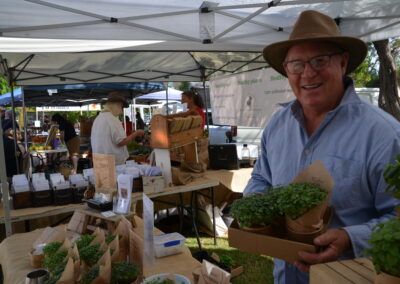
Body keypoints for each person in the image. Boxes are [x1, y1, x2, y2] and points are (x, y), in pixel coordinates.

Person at [243, 10, 400, 284]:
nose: (308, 73)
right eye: (296, 64)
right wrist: (255, 197)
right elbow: (261, 177)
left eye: (319, 60)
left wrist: (352, 238)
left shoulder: (384, 134)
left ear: (343, 62)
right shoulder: (277, 125)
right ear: (286, 70)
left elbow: (397, 217)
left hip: (350, 276)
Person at [91, 92, 144, 165]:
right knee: (113, 177)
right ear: (117, 105)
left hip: (99, 161)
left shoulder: (98, 119)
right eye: (121, 107)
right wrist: (136, 133)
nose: (122, 111)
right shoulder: (112, 120)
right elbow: (120, 142)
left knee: (103, 177)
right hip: (113, 163)